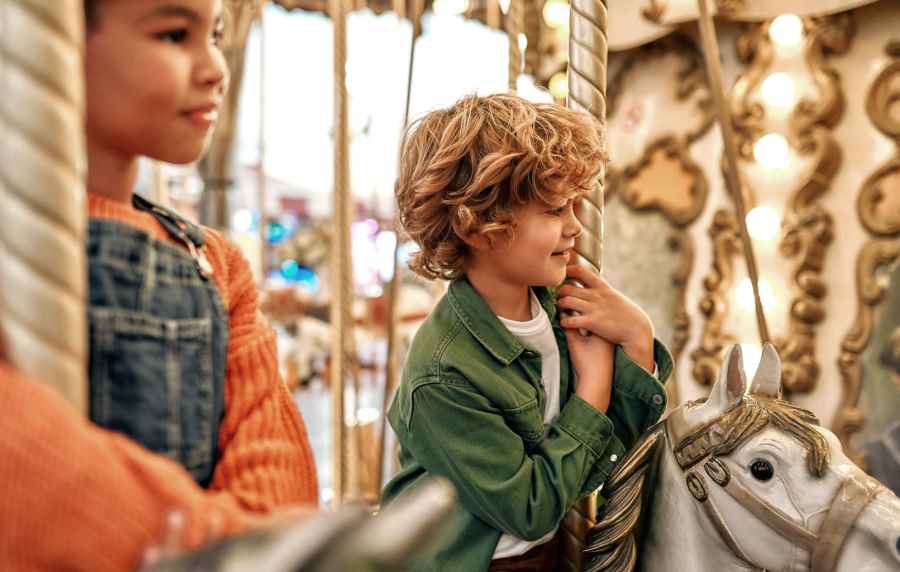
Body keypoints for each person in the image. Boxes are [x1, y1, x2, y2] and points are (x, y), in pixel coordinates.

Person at [0, 1, 317, 570]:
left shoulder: (214, 262)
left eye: (214, 35)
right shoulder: (16, 253)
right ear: (52, 44)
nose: (216, 67)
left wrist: (255, 542)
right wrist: (216, 542)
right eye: (174, 34)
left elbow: (277, 464)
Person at [381, 93, 672, 571]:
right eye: (556, 211)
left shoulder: (560, 309)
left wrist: (638, 339)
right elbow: (530, 509)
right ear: (479, 226)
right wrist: (594, 391)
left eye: (575, 206)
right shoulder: (444, 373)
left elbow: (604, 454)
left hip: (549, 554)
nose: (575, 227)